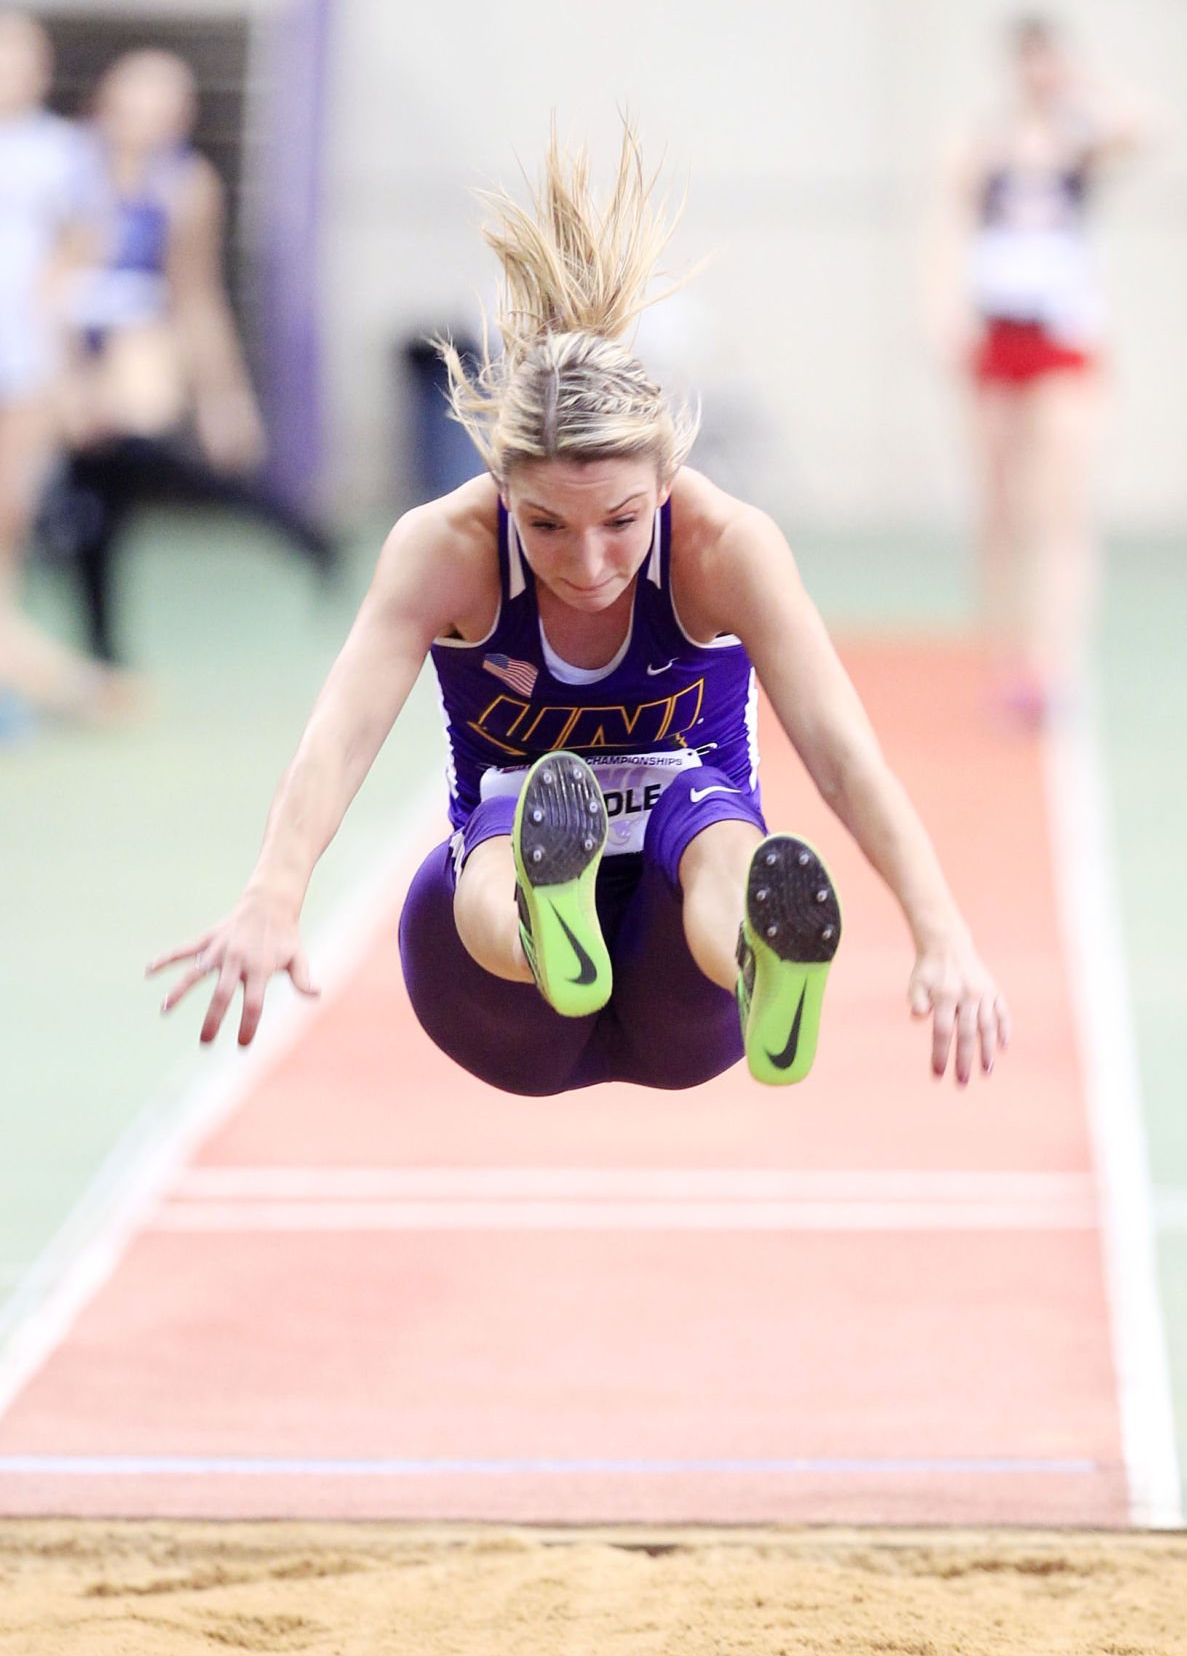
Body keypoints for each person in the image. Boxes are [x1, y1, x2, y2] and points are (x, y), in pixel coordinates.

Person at [150, 126, 1009, 1094]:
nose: (588, 562)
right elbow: (338, 737)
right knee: (502, 829)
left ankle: (758, 961)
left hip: (683, 985)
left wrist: (940, 933)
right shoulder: (447, 550)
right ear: (500, 488)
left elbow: (841, 753)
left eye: (621, 521)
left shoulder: (723, 549)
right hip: (497, 1000)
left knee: (716, 826)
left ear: (666, 479)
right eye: (547, 525)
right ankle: (540, 926)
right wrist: (274, 892)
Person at [45, 47, 335, 665]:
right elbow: (50, 278)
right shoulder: (68, 167)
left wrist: (224, 400)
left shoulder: (184, 185)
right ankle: (102, 645)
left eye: (165, 106)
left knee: (116, 472)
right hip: (65, 345)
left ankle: (289, 527)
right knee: (100, 489)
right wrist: (70, 377)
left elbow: (196, 299)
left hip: (138, 349)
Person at [926, 15, 1153, 724]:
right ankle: (1006, 656)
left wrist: (1081, 87)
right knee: (999, 505)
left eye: (1049, 63)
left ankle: (1057, 661)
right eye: (1029, 63)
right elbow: (950, 227)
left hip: (1061, 339)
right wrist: (942, 315)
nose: (1038, 75)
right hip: (998, 336)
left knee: (1059, 505)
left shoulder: (1078, 142)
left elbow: (1140, 129)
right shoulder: (983, 143)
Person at [0, 8, 129, 723]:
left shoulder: (61, 153)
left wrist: (69, 369)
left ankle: (25, 684)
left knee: (10, 519)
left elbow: (86, 247)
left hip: (26, 368)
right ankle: (52, 681)